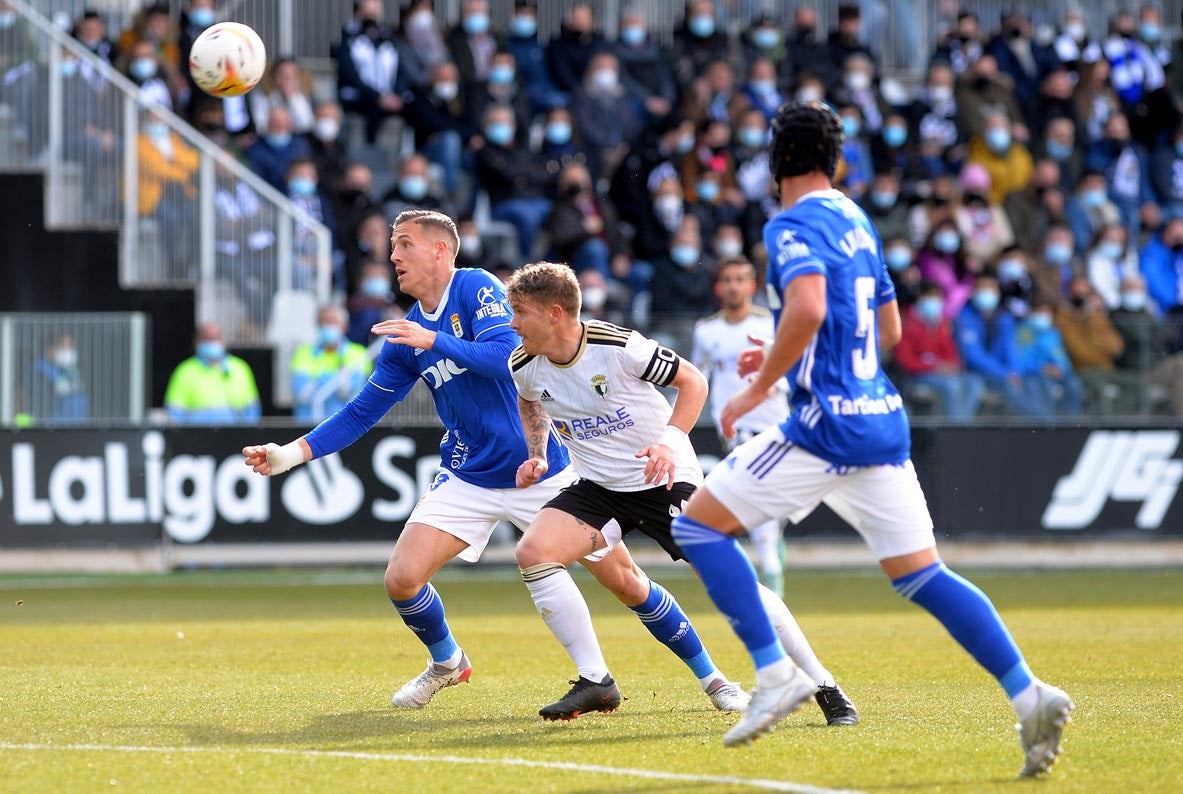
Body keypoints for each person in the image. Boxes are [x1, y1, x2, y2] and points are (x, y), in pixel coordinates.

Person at [666, 102, 1073, 773]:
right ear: (836, 160)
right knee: (923, 574)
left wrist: (759, 386)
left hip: (825, 425)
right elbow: (883, 331)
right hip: (879, 418)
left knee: (699, 530)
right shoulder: (855, 218)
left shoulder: (789, 224)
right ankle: (1028, 694)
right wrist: (790, 356)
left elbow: (808, 308)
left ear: (775, 164)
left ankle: (775, 675)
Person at [242, 210, 742, 718]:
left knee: (628, 583)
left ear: (442, 250)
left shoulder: (477, 288)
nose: (393, 256)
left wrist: (436, 341)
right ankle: (448, 662)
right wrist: (291, 454)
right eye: (393, 247)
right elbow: (361, 412)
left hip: (543, 470)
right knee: (402, 578)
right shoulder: (407, 334)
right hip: (470, 472)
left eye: (405, 245)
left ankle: (713, 678)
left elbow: (507, 356)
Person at [506, 261, 856, 726]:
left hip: (664, 479)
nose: (512, 323)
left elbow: (694, 381)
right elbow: (531, 400)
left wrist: (669, 444)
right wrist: (539, 453)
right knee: (534, 551)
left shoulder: (619, 346)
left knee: (734, 586)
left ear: (554, 313)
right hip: (598, 486)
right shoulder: (523, 364)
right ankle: (594, 678)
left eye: (520, 312)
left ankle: (824, 685)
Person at [691, 258, 791, 595]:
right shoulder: (706, 330)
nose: (733, 286)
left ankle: (771, 564)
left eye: (739, 280)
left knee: (768, 501)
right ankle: (772, 573)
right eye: (727, 280)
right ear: (719, 287)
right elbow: (697, 377)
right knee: (759, 497)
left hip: (775, 423)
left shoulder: (770, 324)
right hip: (737, 428)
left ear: (751, 286)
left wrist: (776, 385)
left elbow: (792, 364)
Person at [165, 323, 260, 423]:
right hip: (195, 436)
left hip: (234, 435)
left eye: (216, 338)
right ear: (197, 342)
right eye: (207, 339)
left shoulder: (240, 368)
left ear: (224, 341)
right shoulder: (185, 371)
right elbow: (174, 414)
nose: (212, 343)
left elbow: (252, 411)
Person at [290, 305, 371, 421]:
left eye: (333, 322)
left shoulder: (358, 353)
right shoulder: (303, 352)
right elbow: (302, 394)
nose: (328, 327)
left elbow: (350, 393)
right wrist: (337, 380)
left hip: (344, 424)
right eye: (324, 322)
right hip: (307, 424)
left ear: (344, 326)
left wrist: (316, 384)